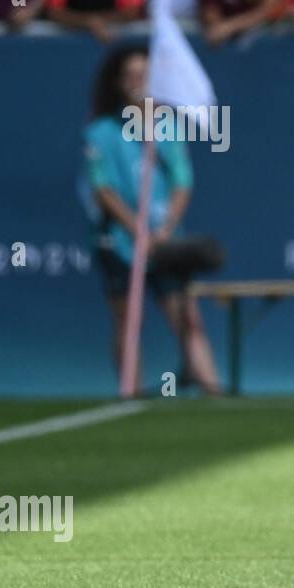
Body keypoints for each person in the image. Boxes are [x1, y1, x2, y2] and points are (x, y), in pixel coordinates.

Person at [81, 45, 222, 395]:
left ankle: (213, 389)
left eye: (143, 75)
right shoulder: (100, 133)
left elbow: (182, 181)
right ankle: (130, 392)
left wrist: (164, 230)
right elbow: (103, 189)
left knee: (186, 316)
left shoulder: (167, 126)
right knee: (128, 319)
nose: (136, 82)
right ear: (118, 83)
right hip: (121, 241)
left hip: (164, 241)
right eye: (130, 76)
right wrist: (137, 229)